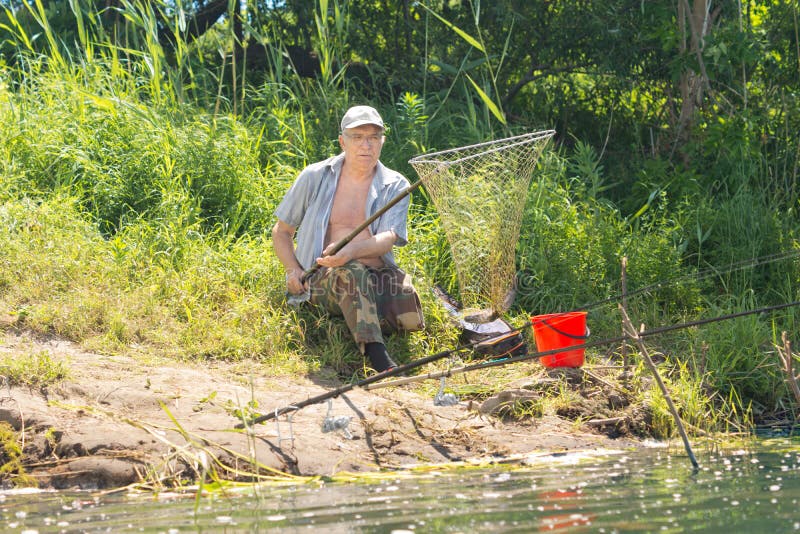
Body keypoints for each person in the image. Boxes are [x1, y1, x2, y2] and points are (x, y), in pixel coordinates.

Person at [272, 105, 425, 372]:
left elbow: (389, 238)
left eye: (373, 137)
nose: (366, 145)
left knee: (409, 312)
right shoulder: (315, 176)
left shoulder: (396, 184)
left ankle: (359, 314)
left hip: (378, 274)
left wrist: (352, 249)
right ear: (343, 141)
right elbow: (282, 232)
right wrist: (293, 270)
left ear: (382, 141)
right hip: (323, 277)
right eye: (357, 137)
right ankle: (379, 359)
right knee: (351, 273)